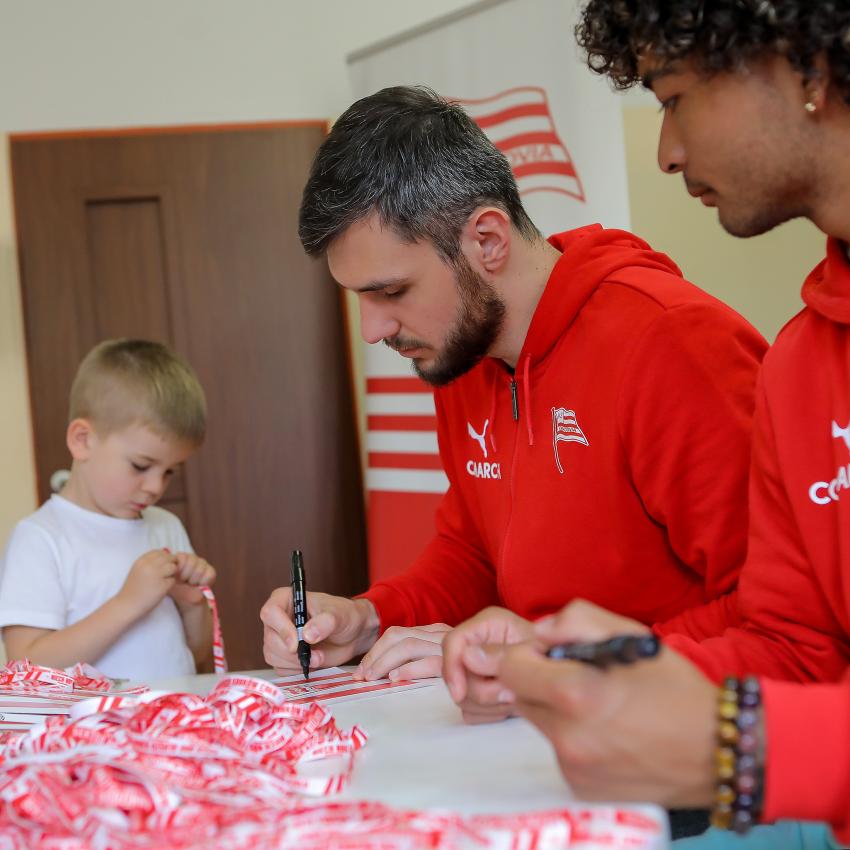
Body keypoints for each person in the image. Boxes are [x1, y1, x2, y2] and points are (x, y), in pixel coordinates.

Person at [469, 1, 850, 845]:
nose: (666, 152)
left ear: (808, 65)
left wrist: (745, 747)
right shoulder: (802, 367)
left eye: (674, 98)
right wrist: (607, 668)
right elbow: (795, 646)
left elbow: (765, 728)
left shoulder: (678, 338)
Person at [261, 85, 767, 694]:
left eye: (392, 292)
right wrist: (369, 618)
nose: (373, 330)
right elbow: (474, 554)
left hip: (679, 726)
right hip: (543, 719)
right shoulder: (464, 353)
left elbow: (775, 613)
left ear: (487, 241)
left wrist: (554, 660)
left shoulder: (672, 343)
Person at [0, 339, 217, 680]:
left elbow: (197, 652)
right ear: (82, 440)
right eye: (141, 466)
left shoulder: (166, 526)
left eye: (169, 472)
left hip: (174, 711)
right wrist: (128, 603)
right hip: (93, 717)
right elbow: (26, 667)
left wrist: (192, 605)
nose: (156, 487)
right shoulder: (40, 539)